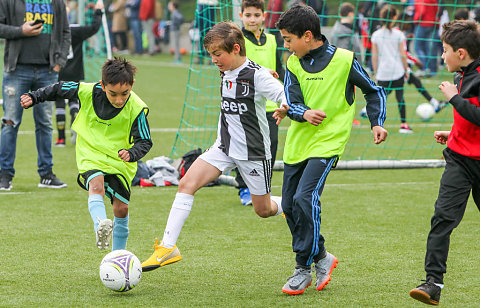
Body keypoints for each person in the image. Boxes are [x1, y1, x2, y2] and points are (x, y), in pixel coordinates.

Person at [141, 21, 287, 272]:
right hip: (223, 146)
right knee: (187, 183)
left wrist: (284, 105)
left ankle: (292, 203)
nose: (214, 61)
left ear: (236, 49)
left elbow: (282, 93)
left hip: (253, 152)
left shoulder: (259, 76)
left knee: (263, 210)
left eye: (217, 55)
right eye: (211, 55)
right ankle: (167, 247)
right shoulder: (228, 69)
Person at [275, 5, 388, 295]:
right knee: (288, 205)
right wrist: (304, 113)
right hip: (299, 142)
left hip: (329, 142)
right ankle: (322, 256)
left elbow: (373, 91)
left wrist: (377, 122)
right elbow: (292, 100)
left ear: (308, 35)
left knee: (305, 196)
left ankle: (303, 268)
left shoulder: (345, 60)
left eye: (289, 39)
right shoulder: (293, 63)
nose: (286, 45)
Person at [20, 58, 152, 251]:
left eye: (125, 93)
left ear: (132, 85)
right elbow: (60, 88)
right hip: (90, 151)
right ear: (102, 85)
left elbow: (145, 141)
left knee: (121, 209)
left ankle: (117, 256)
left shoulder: (137, 108)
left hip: (119, 159)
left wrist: (131, 153)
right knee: (96, 185)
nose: (119, 99)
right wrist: (35, 97)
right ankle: (100, 225)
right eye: (112, 93)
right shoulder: (88, 91)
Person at [409, 20, 480, 306]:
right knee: (442, 218)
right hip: (460, 160)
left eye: (445, 50)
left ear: (461, 53)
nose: (442, 56)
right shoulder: (463, 73)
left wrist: (453, 98)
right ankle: (432, 284)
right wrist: (453, 133)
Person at [0, 0, 71, 191]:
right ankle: (4, 175)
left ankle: (46, 174)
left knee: (45, 123)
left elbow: (65, 32)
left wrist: (59, 62)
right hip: (17, 70)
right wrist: (20, 31)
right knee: (10, 122)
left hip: (48, 71)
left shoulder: (56, 2)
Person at [234, 0, 285, 205]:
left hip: (270, 105)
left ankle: (263, 187)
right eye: (248, 15)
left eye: (256, 15)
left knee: (270, 145)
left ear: (264, 16)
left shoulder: (273, 40)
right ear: (241, 16)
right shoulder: (237, 40)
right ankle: (243, 187)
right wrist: (262, 73)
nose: (252, 19)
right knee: (244, 146)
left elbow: (278, 68)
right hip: (246, 102)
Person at [55, 0, 105, 147]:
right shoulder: (76, 31)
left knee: (58, 104)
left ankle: (61, 139)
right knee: (74, 102)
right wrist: (98, 11)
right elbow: (94, 28)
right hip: (76, 73)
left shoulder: (53, 31)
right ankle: (76, 130)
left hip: (58, 71)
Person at [371, 5, 411, 133]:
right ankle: (404, 125)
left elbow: (374, 56)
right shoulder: (398, 34)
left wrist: (376, 72)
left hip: (383, 73)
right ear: (394, 18)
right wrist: (406, 70)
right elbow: (402, 54)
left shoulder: (376, 35)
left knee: (381, 100)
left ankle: (377, 126)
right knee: (400, 98)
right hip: (397, 71)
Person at [413, 0, 440, 76]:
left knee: (418, 47)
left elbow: (422, 10)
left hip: (422, 23)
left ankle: (425, 68)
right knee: (430, 48)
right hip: (433, 23)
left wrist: (416, 19)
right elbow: (437, 9)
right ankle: (433, 71)